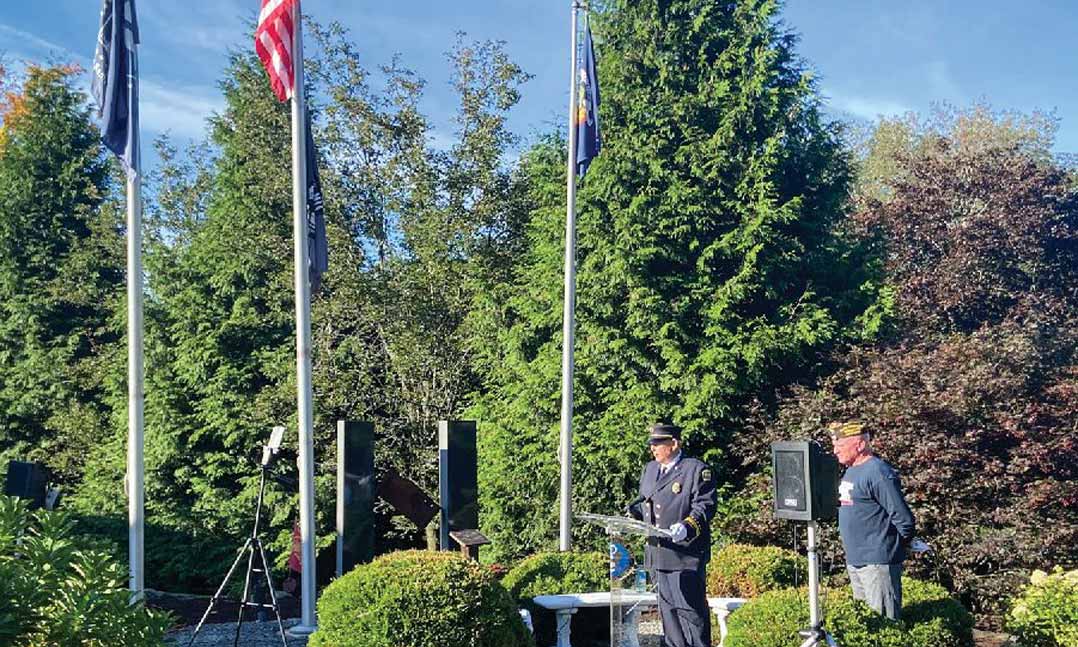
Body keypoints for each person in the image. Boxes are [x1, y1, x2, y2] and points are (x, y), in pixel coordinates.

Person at [629, 422, 717, 647]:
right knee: (668, 615)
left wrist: (687, 526)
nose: (653, 448)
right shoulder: (650, 469)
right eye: (651, 443)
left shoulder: (695, 470)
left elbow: (705, 506)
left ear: (674, 444)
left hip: (684, 555)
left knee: (690, 613)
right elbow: (645, 503)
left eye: (658, 443)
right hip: (657, 553)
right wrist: (632, 515)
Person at [829, 420, 916, 621]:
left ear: (860, 445)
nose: (835, 451)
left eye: (840, 445)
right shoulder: (851, 470)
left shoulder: (878, 472)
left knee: (883, 623)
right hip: (856, 560)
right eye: (834, 445)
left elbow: (903, 518)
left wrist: (894, 546)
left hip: (877, 563)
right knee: (865, 623)